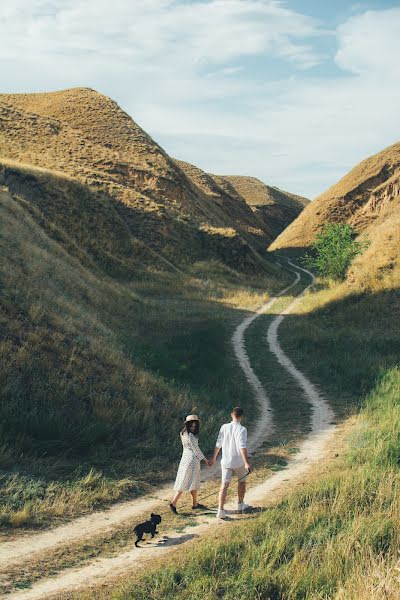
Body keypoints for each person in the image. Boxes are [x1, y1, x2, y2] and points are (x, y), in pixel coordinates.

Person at [211, 406, 252, 519]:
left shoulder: (224, 427)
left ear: (232, 415)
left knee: (224, 485)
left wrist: (214, 458)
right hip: (238, 461)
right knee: (242, 481)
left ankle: (220, 510)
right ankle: (240, 503)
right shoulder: (242, 429)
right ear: (242, 417)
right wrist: (247, 463)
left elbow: (218, 443)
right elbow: (242, 447)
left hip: (226, 461)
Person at [169, 414, 210, 514]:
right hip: (192, 460)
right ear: (188, 424)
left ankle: (194, 504)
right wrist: (205, 460)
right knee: (185, 482)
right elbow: (196, 450)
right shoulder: (191, 435)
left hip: (185, 458)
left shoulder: (183, 433)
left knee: (192, 482)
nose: (194, 426)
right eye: (192, 424)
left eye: (195, 424)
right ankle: (173, 503)